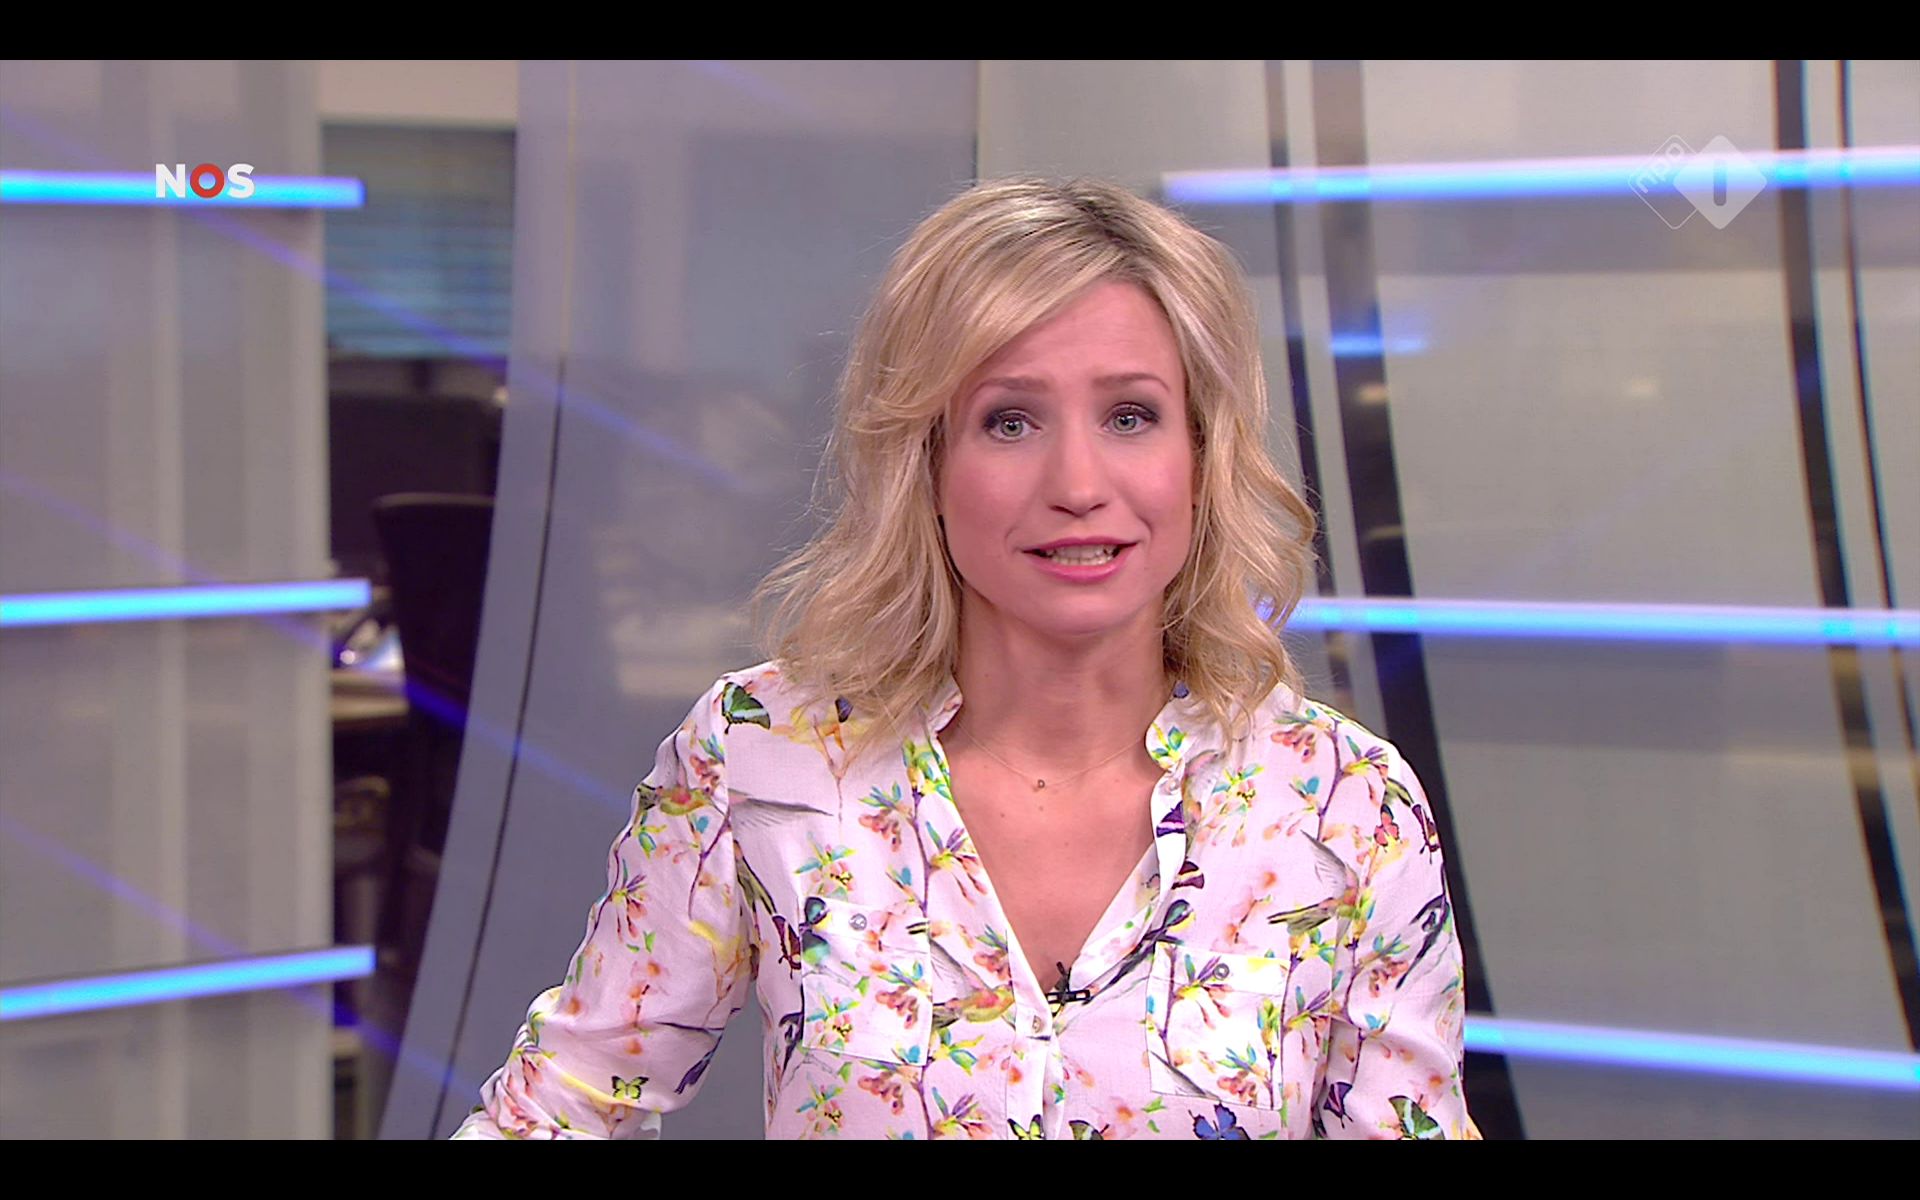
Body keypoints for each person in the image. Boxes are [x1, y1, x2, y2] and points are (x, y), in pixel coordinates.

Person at [453, 177, 1478, 1140]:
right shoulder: (760, 758)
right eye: (1010, 421)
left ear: (1202, 458)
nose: (1078, 483)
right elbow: (558, 1107)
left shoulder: (1346, 803)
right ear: (927, 462)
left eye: (1130, 416)